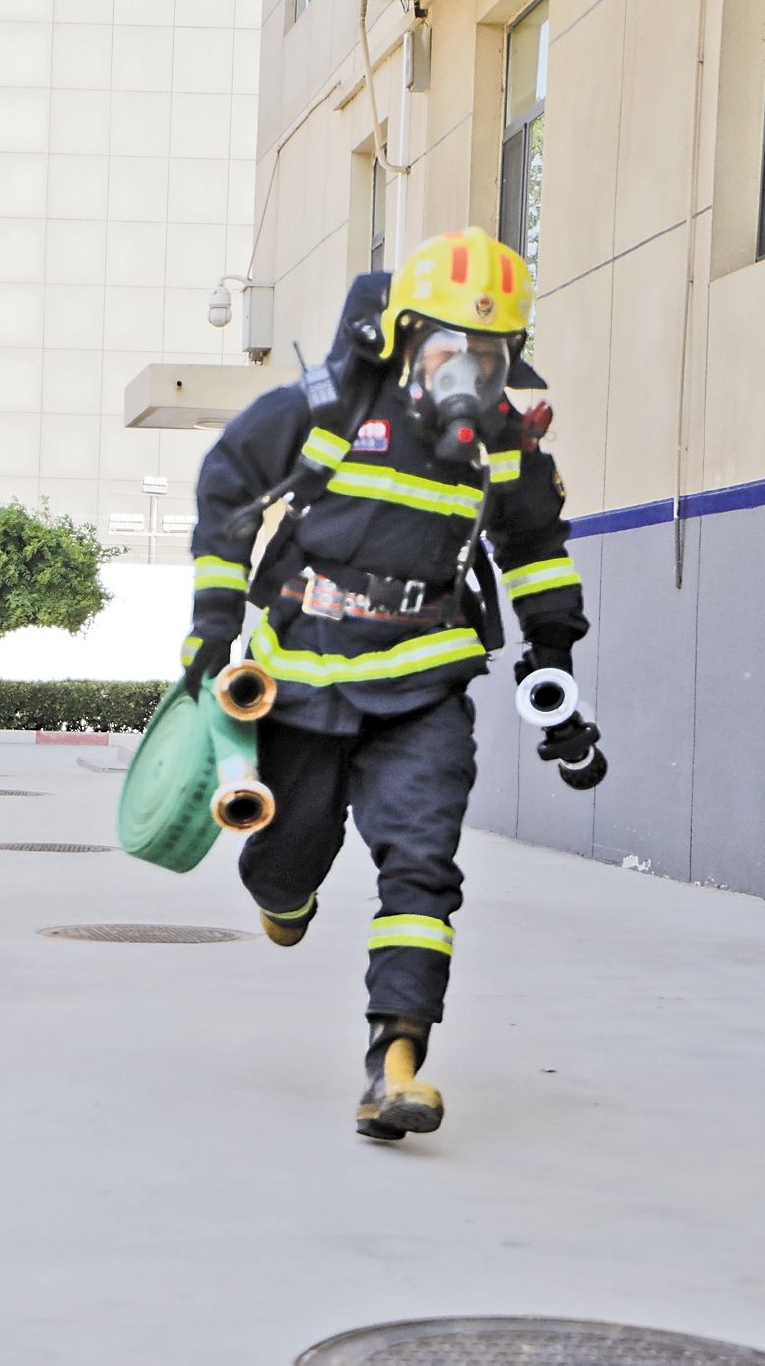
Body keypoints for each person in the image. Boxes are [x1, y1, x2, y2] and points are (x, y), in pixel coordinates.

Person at [182, 226, 599, 1141]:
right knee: (285, 864)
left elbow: (534, 550)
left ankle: (395, 1062)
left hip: (424, 684)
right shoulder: (330, 407)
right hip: (303, 676)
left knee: (423, 865)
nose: (468, 370)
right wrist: (212, 626)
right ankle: (282, 894)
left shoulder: (504, 443)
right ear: (405, 338)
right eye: (449, 346)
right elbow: (227, 489)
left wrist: (553, 658)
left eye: (488, 353)